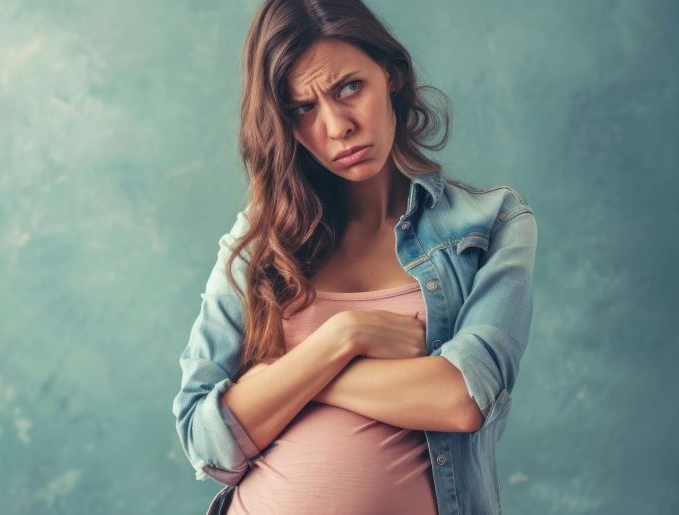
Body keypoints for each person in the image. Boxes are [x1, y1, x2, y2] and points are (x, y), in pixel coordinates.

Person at [172, 0, 538, 513]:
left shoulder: (492, 224)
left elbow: (461, 399)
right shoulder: (259, 243)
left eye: (349, 88)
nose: (337, 125)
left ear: (390, 74)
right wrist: (346, 338)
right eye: (303, 108)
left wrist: (285, 378)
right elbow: (208, 443)